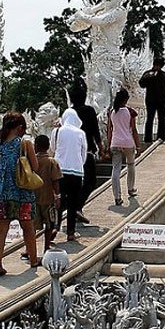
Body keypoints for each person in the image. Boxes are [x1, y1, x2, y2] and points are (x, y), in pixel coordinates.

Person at [0, 112, 39, 277]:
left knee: (1, 230)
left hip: (1, 191)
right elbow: (35, 166)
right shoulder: (25, 143)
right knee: (28, 228)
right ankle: (33, 259)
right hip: (21, 191)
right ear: (19, 127)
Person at [68, 84, 104, 224]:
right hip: (87, 151)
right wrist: (101, 148)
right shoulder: (89, 111)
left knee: (75, 183)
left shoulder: (69, 113)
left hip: (72, 153)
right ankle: (77, 207)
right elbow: (95, 131)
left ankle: (75, 209)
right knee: (90, 181)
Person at [55, 108, 87, 242]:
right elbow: (83, 152)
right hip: (76, 172)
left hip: (60, 171)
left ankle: (55, 226)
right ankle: (70, 232)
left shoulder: (57, 131)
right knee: (73, 204)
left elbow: (53, 148)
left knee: (58, 200)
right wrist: (79, 164)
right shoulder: (81, 133)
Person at [107, 88, 141, 206]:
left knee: (115, 170)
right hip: (128, 142)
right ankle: (130, 189)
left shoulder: (112, 112)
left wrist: (108, 144)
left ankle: (117, 197)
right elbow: (134, 130)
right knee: (130, 165)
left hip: (115, 143)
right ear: (126, 99)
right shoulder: (129, 112)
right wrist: (138, 146)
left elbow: (110, 131)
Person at [32, 135, 62, 252]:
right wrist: (58, 196)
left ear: (36, 146)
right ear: (48, 146)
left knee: (32, 226)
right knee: (49, 224)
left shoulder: (31, 161)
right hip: (48, 198)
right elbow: (55, 181)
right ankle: (46, 246)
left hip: (33, 197)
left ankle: (31, 248)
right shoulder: (51, 162)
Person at [139, 57, 165, 143]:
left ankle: (161, 137)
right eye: (156, 65)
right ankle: (147, 139)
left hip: (161, 101)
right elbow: (141, 84)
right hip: (150, 101)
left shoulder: (164, 75)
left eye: (159, 66)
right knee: (149, 119)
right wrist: (147, 77)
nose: (157, 67)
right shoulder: (147, 73)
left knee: (161, 120)